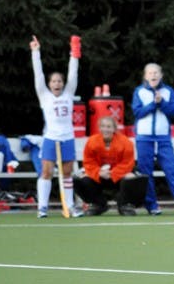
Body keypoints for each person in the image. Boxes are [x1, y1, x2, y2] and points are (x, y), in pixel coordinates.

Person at [131, 63, 174, 215]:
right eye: (150, 73)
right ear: (145, 76)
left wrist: (162, 103)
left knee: (173, 170)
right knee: (145, 173)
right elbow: (138, 112)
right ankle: (152, 206)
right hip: (144, 138)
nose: (153, 75)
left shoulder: (168, 91)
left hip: (163, 138)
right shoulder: (139, 91)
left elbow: (173, 112)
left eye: (156, 73)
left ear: (161, 75)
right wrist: (154, 104)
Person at [30, 34, 83, 218]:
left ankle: (69, 206)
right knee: (46, 171)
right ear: (49, 84)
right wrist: (36, 52)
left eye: (59, 81)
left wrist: (74, 52)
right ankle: (42, 207)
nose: (57, 84)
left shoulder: (68, 93)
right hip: (51, 138)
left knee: (67, 173)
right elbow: (38, 75)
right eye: (53, 81)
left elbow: (73, 73)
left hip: (67, 137)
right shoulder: (44, 95)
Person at [74, 116, 148, 216]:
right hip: (99, 176)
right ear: (99, 128)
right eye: (103, 126)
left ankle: (125, 205)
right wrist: (99, 172)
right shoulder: (92, 142)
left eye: (109, 127)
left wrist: (113, 173)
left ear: (114, 129)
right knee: (81, 179)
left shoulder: (126, 142)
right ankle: (98, 204)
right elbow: (88, 162)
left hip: (119, 176)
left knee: (132, 178)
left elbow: (128, 163)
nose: (106, 129)